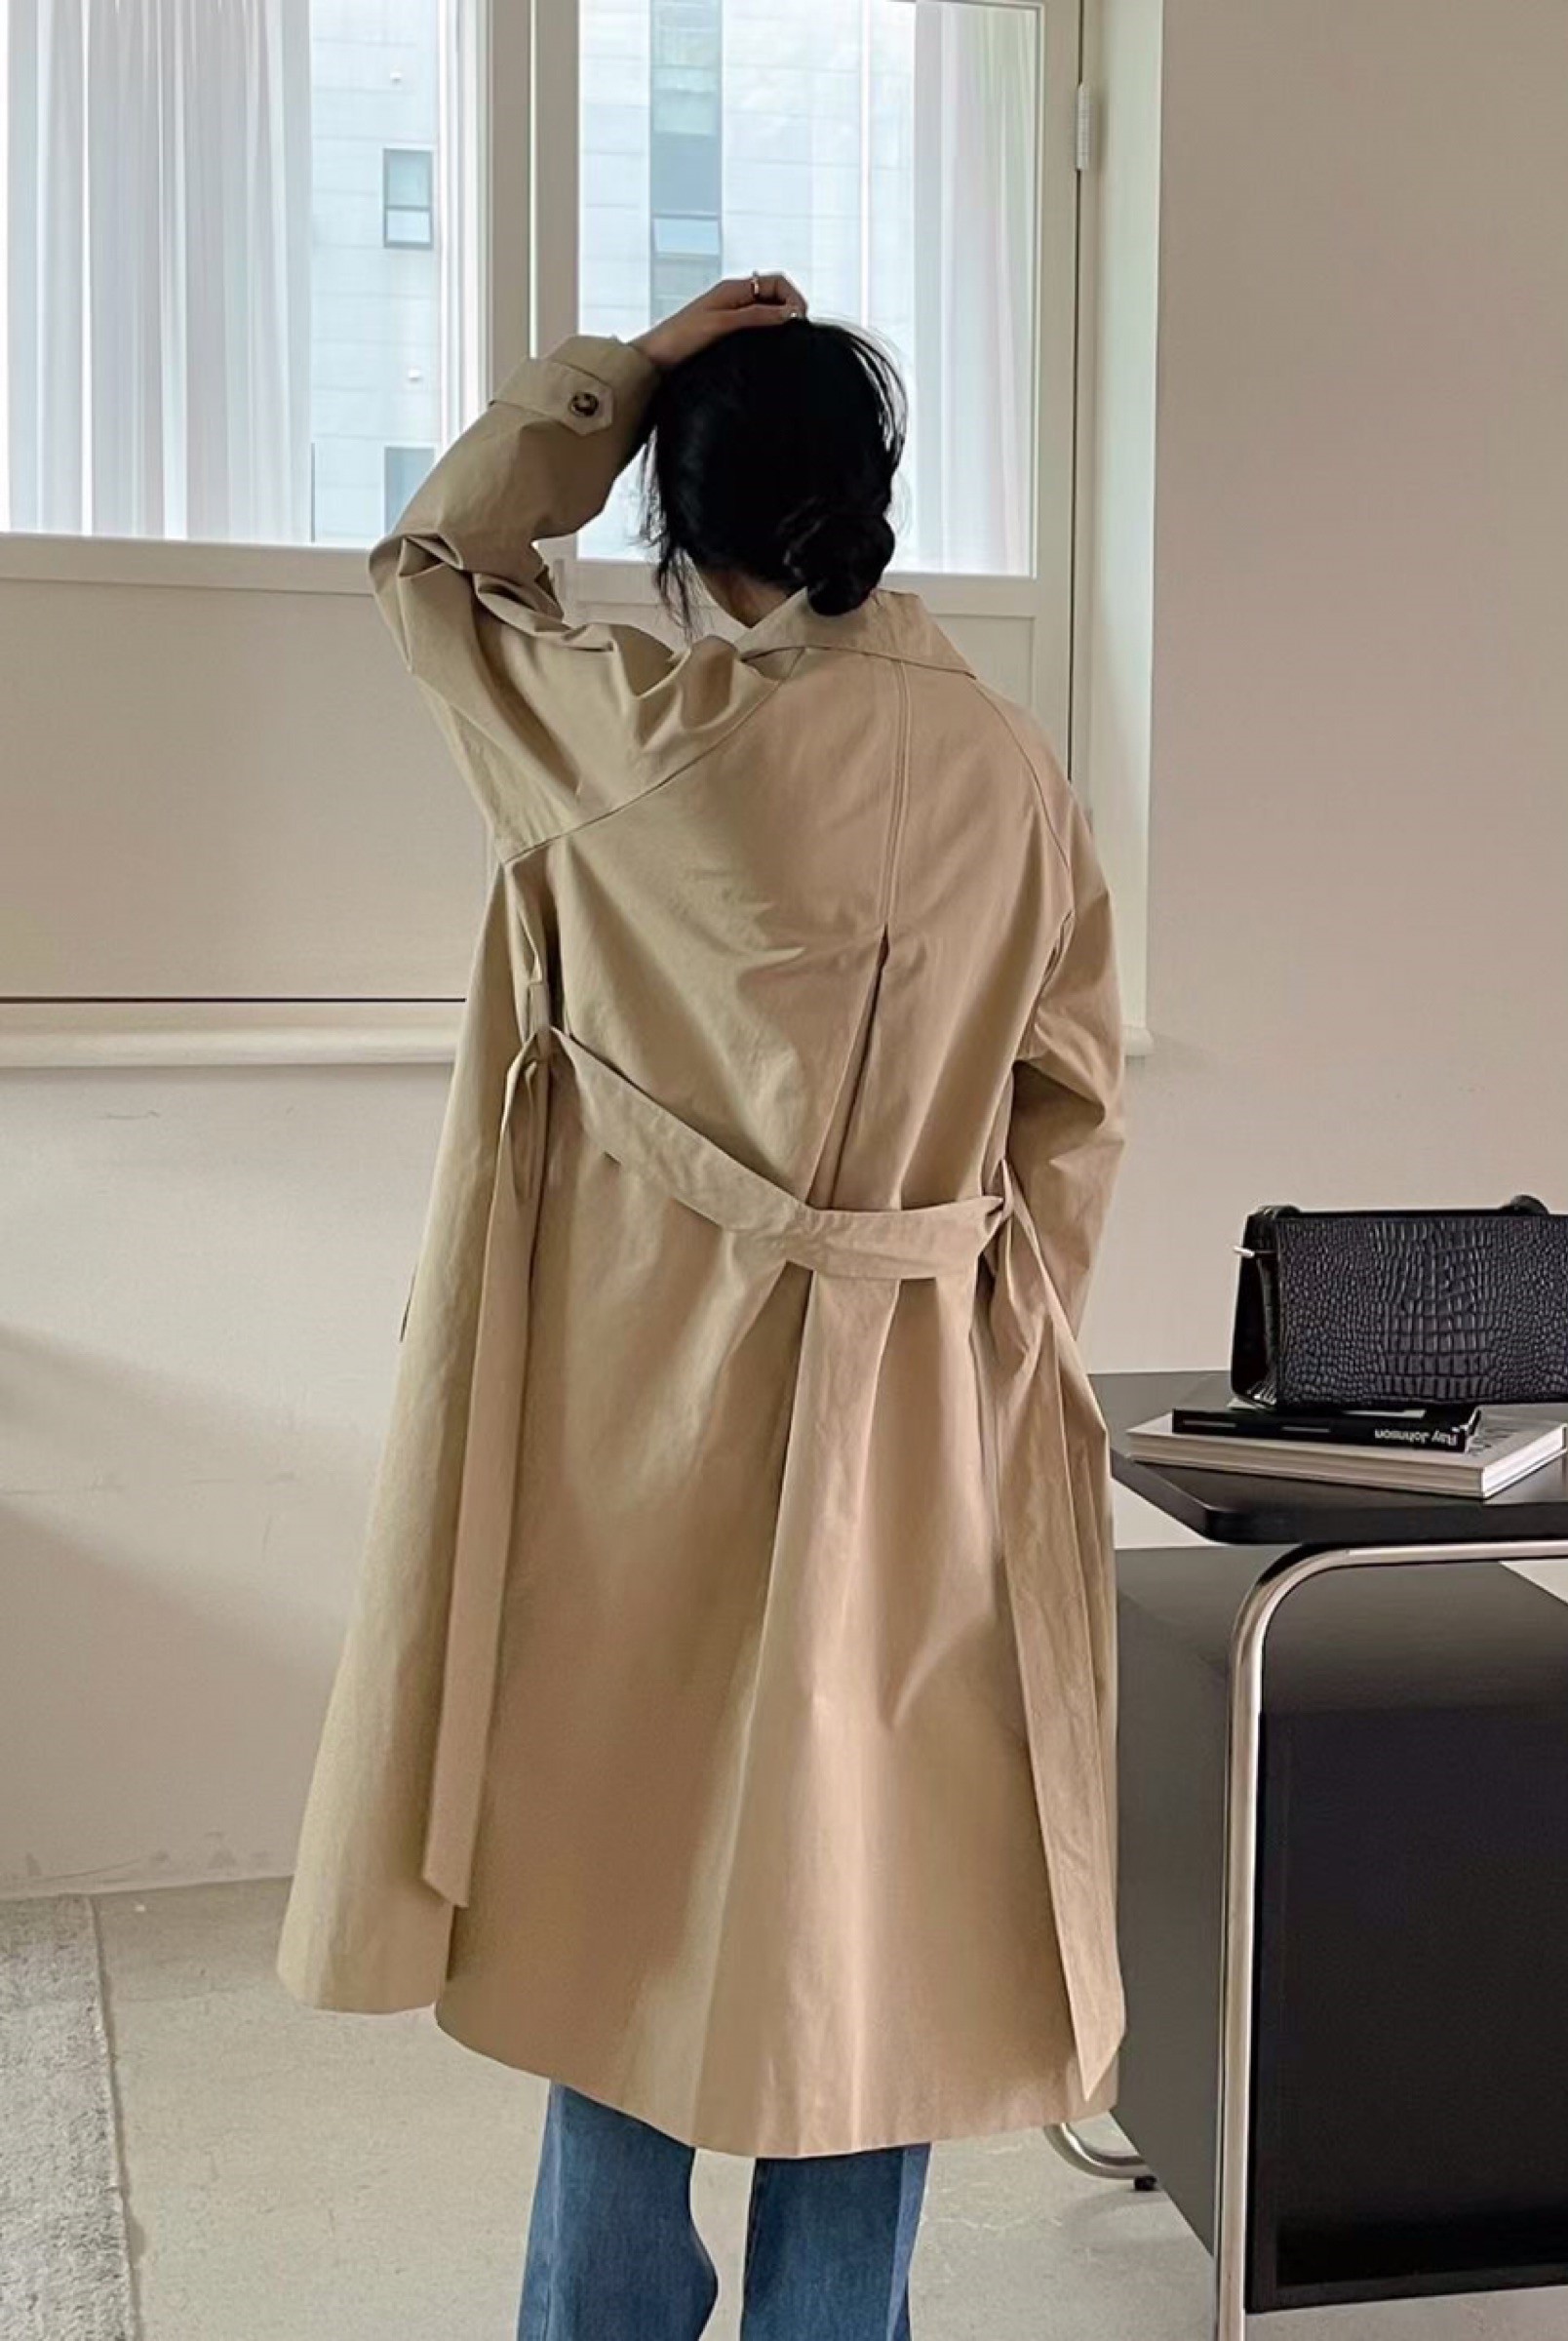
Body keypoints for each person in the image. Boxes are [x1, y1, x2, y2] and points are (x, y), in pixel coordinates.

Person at [275, 274, 1128, 2341]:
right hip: (922, 1400)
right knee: (877, 1910)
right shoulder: (1013, 767)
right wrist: (978, 1330)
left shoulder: (640, 745)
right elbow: (1072, 1107)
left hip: (649, 1402)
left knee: (625, 1884)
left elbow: (433, 564)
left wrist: (625, 374)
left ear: (678, 509)